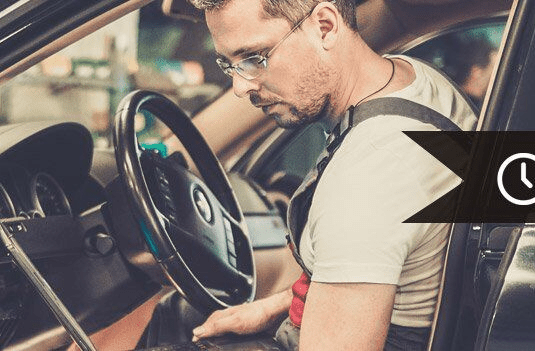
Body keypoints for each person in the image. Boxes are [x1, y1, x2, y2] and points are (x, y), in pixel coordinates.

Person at [186, 0, 476, 349]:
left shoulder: (367, 177)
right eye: (228, 64)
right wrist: (272, 308)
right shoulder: (413, 78)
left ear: (325, 26)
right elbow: (378, 268)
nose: (240, 86)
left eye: (254, 58)